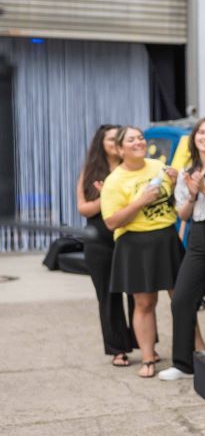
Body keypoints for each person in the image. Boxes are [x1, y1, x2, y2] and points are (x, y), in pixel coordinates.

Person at [100, 126, 183, 378]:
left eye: (140, 138)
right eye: (131, 139)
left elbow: (176, 200)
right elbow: (112, 222)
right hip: (135, 244)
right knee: (145, 303)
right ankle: (148, 358)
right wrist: (139, 202)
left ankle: (195, 351)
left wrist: (178, 181)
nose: (138, 142)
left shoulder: (158, 166)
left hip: (166, 238)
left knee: (181, 299)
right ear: (120, 148)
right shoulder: (114, 180)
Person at [161, 118, 205, 381]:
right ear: (194, 138)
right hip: (198, 233)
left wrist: (204, 189)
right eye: (201, 132)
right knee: (181, 298)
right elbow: (182, 213)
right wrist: (192, 193)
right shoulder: (184, 172)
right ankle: (182, 363)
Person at [76, 124, 137, 367]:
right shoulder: (91, 171)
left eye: (118, 139)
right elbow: (83, 208)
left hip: (129, 237)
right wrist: (107, 197)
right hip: (99, 241)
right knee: (108, 296)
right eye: (110, 139)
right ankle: (117, 349)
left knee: (138, 293)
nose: (114, 143)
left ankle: (143, 342)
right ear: (101, 144)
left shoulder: (132, 169)